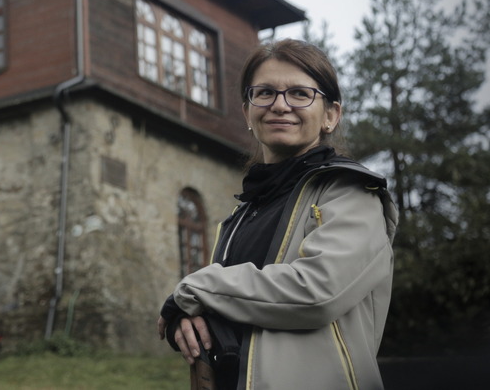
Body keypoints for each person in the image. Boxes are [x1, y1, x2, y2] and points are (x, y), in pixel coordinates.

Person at [157, 39, 398, 390]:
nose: (280, 105)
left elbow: (316, 293)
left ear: (330, 115)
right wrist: (192, 317)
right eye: (265, 92)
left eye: (300, 94)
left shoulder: (351, 192)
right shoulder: (241, 216)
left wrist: (196, 289)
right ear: (247, 112)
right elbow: (240, 305)